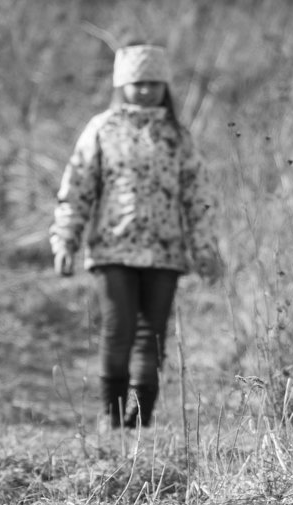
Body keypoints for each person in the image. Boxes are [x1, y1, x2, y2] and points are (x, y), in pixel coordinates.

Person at [50, 43, 221, 431]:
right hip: (112, 249)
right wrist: (65, 240)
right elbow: (77, 187)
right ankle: (111, 413)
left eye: (153, 83)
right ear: (121, 84)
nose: (145, 90)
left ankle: (140, 417)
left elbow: (198, 197)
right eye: (137, 83)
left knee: (152, 335)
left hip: (165, 254)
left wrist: (205, 249)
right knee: (118, 326)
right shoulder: (102, 129)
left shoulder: (177, 135)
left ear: (165, 86)